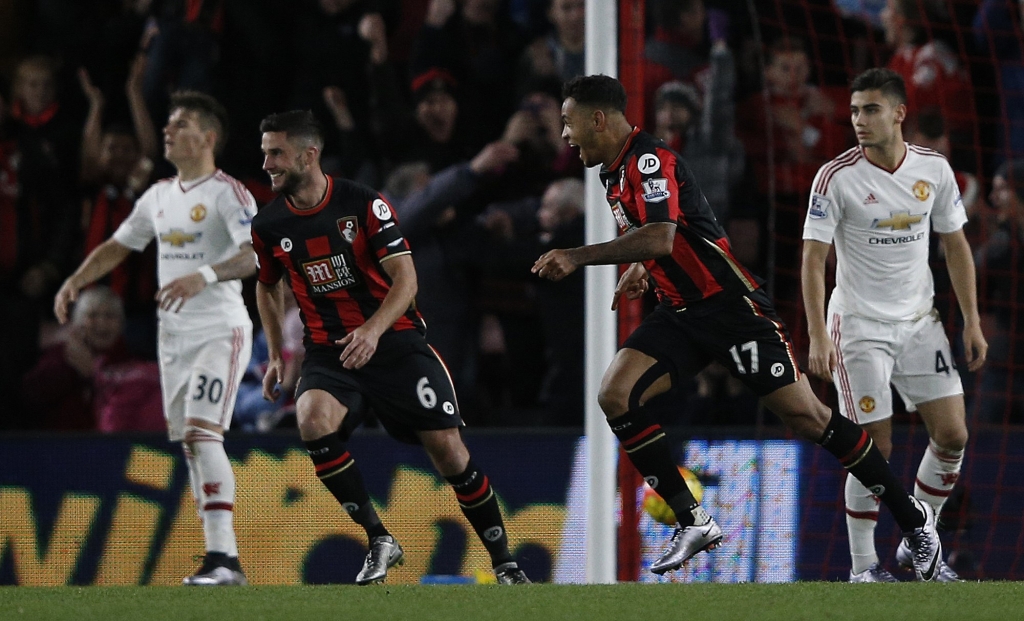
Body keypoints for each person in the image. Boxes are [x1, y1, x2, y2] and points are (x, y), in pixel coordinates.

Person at [532, 74, 945, 580]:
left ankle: (914, 519)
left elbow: (661, 236)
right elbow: (679, 230)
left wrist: (578, 256)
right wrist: (642, 268)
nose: (565, 135)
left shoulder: (647, 160)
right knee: (615, 395)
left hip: (731, 310)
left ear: (598, 118)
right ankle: (693, 519)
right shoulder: (612, 172)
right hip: (681, 313)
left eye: (569, 123)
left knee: (809, 420)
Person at [252, 110, 530, 586]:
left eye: (276, 153)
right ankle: (380, 538)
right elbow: (267, 284)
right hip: (330, 351)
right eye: (264, 153)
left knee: (448, 452)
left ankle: (505, 564)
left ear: (307, 154)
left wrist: (373, 331)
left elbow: (406, 277)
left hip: (394, 341)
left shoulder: (363, 204)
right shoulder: (269, 223)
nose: (267, 164)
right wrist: (278, 352)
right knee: (312, 420)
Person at [54, 91, 257, 586]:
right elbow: (116, 246)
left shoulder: (228, 193)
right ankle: (216, 557)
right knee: (192, 444)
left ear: (208, 138)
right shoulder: (158, 195)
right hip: (174, 338)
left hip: (218, 330)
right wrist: (76, 280)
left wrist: (204, 276)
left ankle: (226, 560)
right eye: (167, 124)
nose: (167, 131)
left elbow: (256, 255)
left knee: (203, 433)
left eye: (180, 123)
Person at [801, 68, 987, 583]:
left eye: (871, 109)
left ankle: (917, 539)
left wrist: (971, 321)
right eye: (855, 110)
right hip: (858, 327)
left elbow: (956, 246)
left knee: (952, 435)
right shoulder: (835, 177)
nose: (859, 120)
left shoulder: (935, 170)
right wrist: (818, 332)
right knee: (872, 447)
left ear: (900, 113)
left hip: (920, 324)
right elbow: (813, 259)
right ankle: (864, 568)